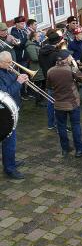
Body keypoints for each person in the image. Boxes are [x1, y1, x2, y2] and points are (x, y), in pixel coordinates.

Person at [47, 50, 82, 157]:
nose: (71, 57)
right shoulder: (71, 70)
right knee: (75, 126)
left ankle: (65, 149)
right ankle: (80, 149)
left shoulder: (50, 71)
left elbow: (50, 86)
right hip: (72, 103)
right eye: (70, 56)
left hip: (58, 104)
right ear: (66, 58)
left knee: (61, 127)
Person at [0, 51, 28, 179]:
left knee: (11, 140)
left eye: (11, 61)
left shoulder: (8, 70)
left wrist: (21, 79)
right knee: (10, 140)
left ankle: (10, 162)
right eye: (8, 62)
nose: (11, 64)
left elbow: (15, 86)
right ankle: (9, 168)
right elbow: (6, 94)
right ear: (0, 62)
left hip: (13, 109)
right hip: (4, 114)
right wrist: (18, 82)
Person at [39, 31, 64, 130]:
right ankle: (58, 124)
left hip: (47, 79)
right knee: (58, 103)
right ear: (57, 42)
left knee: (50, 103)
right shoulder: (55, 54)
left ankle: (50, 123)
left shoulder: (41, 51)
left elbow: (41, 65)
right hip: (57, 81)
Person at [25, 31, 46, 106]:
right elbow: (34, 58)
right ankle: (38, 101)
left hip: (40, 67)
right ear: (33, 37)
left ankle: (42, 98)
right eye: (38, 36)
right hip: (36, 68)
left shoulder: (37, 44)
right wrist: (44, 56)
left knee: (43, 83)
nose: (40, 38)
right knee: (38, 85)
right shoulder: (30, 46)